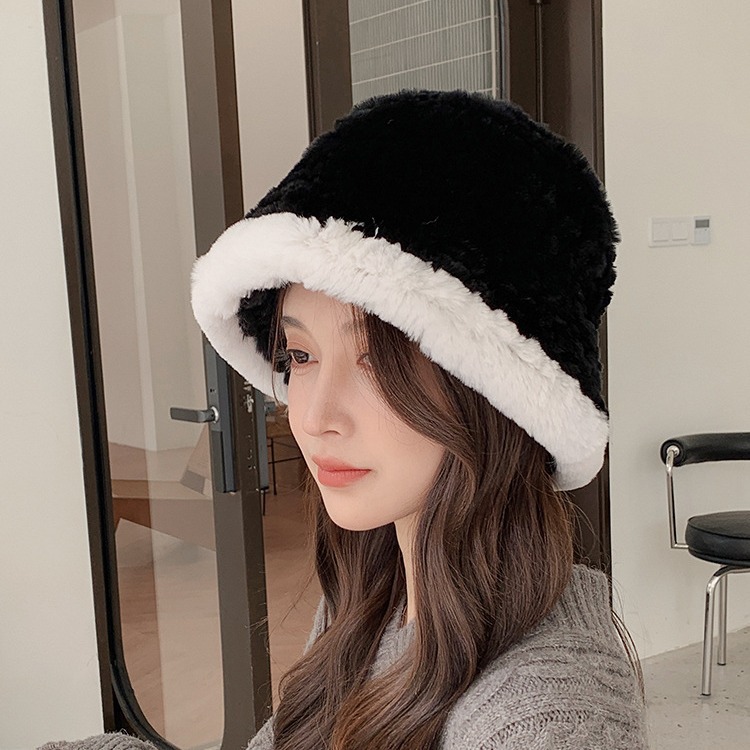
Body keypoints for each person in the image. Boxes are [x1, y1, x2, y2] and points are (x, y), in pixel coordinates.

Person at [41, 89, 649, 749]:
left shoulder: (546, 713)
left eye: (376, 362)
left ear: (496, 392)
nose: (311, 417)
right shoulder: (375, 587)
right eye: (300, 355)